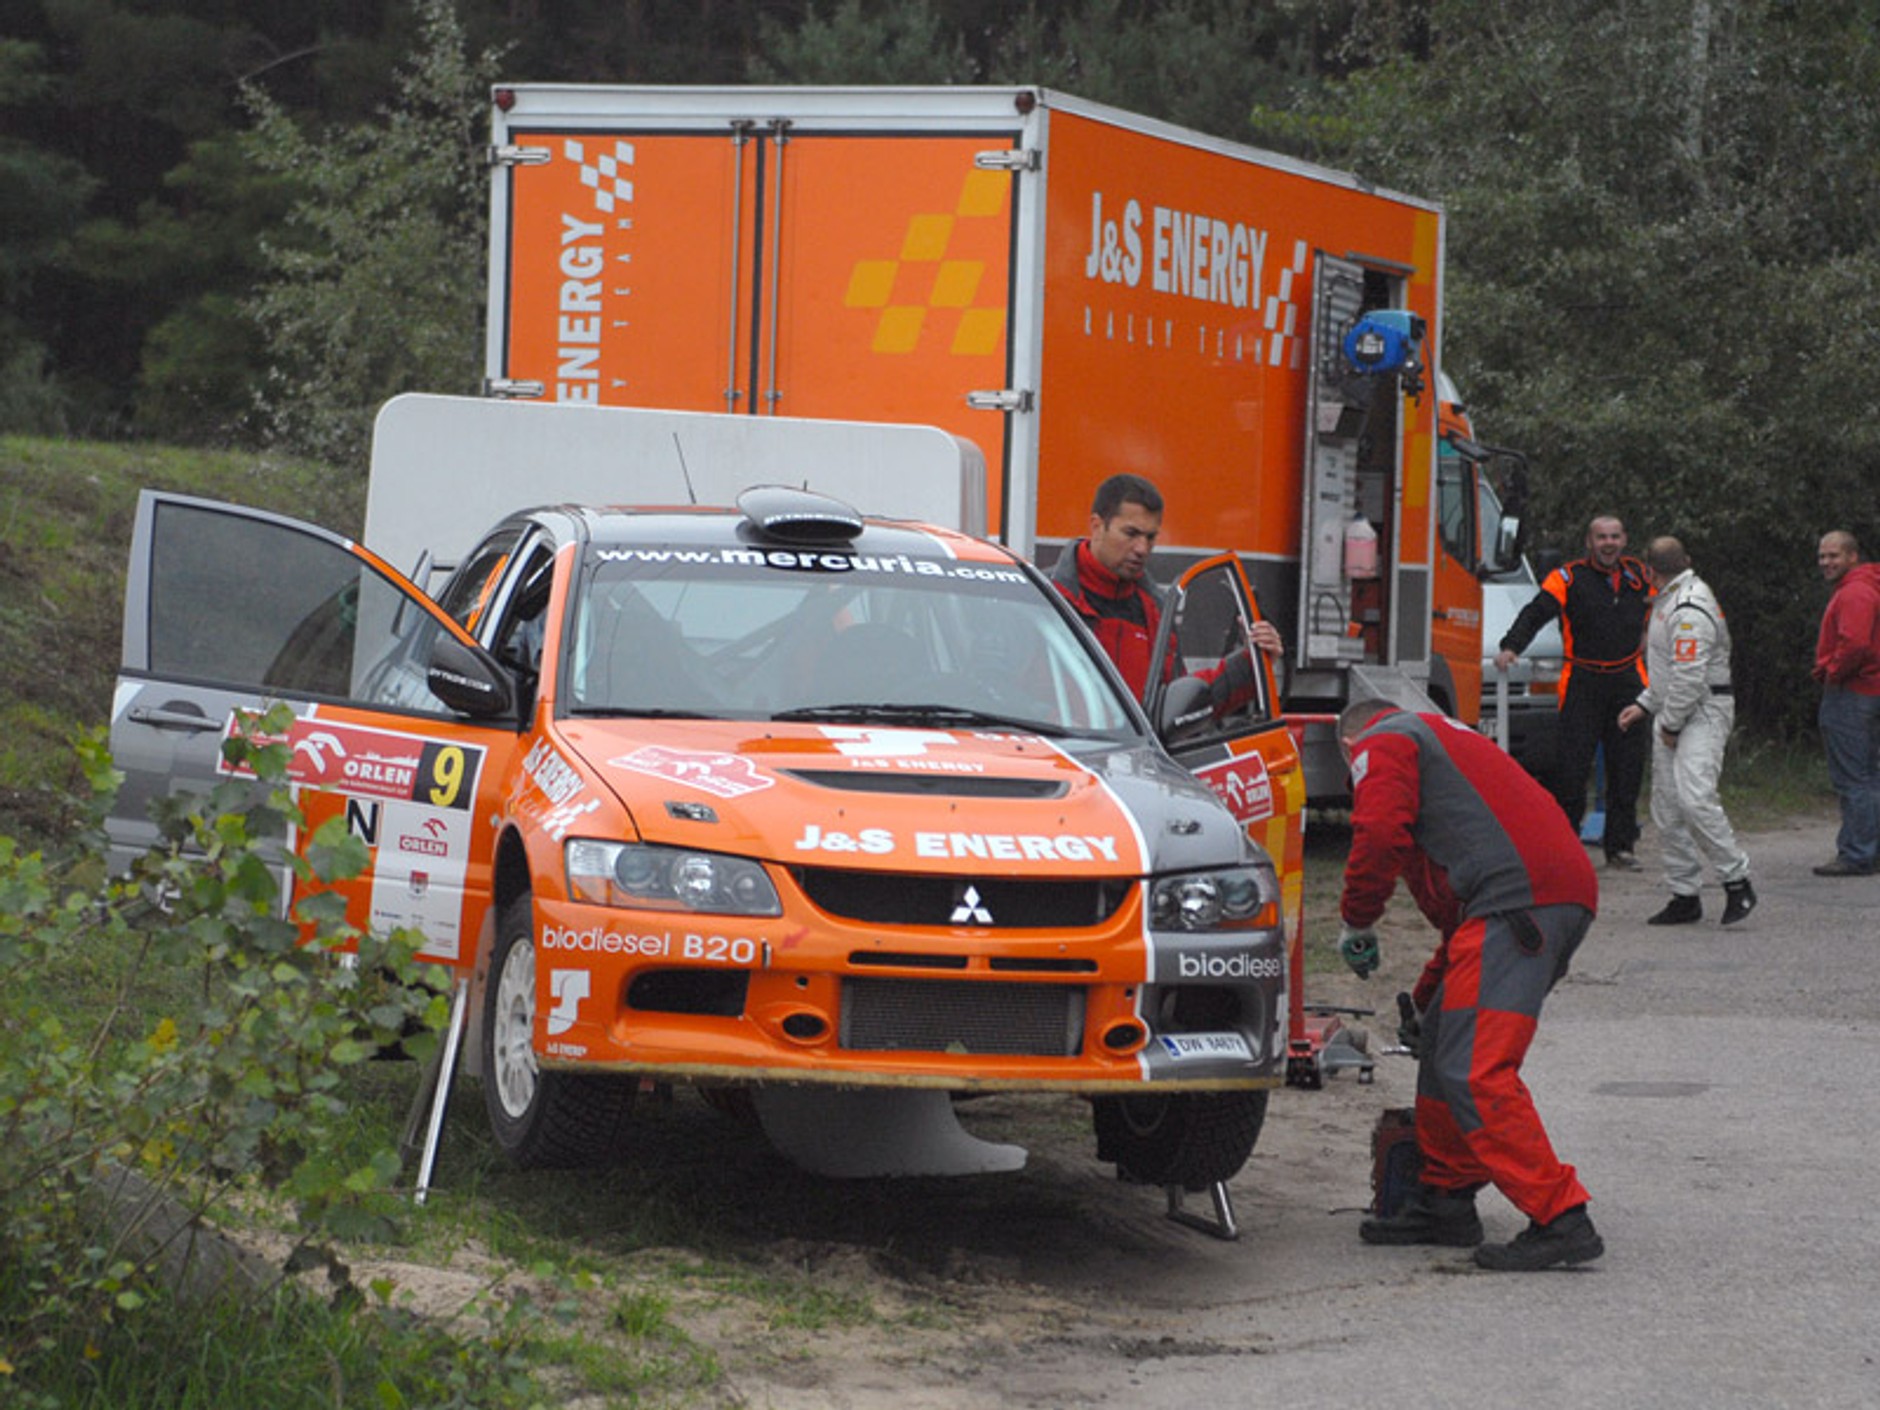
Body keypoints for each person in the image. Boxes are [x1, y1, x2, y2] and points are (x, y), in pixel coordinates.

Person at [1335, 698, 1603, 1271]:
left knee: (1475, 1067)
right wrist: (1430, 996)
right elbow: (1464, 929)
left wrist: (1357, 918)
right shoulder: (1442, 747)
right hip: (1538, 896)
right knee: (1442, 1040)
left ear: (1348, 748)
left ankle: (1560, 1216)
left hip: (1521, 901)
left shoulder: (1381, 740)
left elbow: (1379, 833)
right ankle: (1446, 1202)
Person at [1495, 514, 1653, 869]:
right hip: (1582, 680)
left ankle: (1620, 847)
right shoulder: (1567, 577)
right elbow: (1536, 612)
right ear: (1589, 542)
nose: (1608, 543)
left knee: (1626, 769)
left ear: (1624, 539)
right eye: (1601, 537)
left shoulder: (1641, 576)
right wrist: (1511, 646)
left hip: (1628, 679)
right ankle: (1566, 846)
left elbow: (1670, 605)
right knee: (1570, 770)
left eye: (1614, 536)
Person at [1617, 538, 1756, 924]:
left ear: (1649, 570)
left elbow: (1690, 676)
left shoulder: (1688, 606)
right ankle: (1684, 893)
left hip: (1702, 709)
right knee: (1667, 806)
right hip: (1676, 708)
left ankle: (1737, 880)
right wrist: (1645, 704)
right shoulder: (1670, 600)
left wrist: (1672, 724)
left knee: (1695, 798)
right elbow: (1670, 670)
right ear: (1688, 561)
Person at [1050, 472, 1281, 703]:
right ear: (1097, 526)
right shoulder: (1045, 599)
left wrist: (1252, 663)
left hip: (1137, 741)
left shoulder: (1156, 610)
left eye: (1150, 537)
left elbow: (1180, 708)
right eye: (1131, 533)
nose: (1142, 548)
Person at [1811, 530, 1880, 876]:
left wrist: (1831, 672)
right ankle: (1869, 847)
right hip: (1870, 689)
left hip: (1853, 691)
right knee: (1869, 774)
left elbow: (1855, 644)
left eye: (1833, 556)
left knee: (1853, 777)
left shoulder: (1855, 592)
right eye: (1823, 556)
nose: (1826, 562)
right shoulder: (1867, 586)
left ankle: (1857, 853)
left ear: (1853, 556)